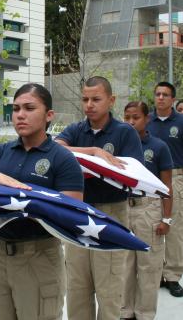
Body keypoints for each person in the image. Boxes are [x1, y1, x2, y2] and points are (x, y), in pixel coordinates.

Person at [0, 83, 84, 320]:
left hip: (38, 258)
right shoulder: (1, 152)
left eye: (29, 108)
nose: (20, 114)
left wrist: (30, 204)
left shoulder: (62, 159)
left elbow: (72, 212)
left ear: (49, 115)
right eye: (16, 108)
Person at [56, 76, 144, 320]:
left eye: (96, 99)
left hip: (111, 214)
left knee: (110, 288)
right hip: (77, 212)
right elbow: (55, 148)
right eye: (85, 99)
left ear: (111, 100)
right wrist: (93, 153)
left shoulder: (124, 133)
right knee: (77, 286)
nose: (89, 105)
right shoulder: (76, 130)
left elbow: (133, 173)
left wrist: (97, 169)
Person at [121, 101, 173, 320]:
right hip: (123, 208)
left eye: (136, 117)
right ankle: (125, 312)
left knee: (148, 267)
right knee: (124, 266)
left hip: (148, 209)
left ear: (147, 119)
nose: (131, 122)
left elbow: (167, 187)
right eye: (127, 118)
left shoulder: (159, 147)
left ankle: (144, 314)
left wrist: (166, 219)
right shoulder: (120, 146)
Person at [147, 81, 183, 297]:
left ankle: (173, 275)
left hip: (176, 179)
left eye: (165, 95)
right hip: (149, 181)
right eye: (158, 94)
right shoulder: (146, 121)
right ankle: (157, 273)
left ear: (172, 99)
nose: (160, 98)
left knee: (174, 228)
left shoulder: (180, 122)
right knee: (151, 226)